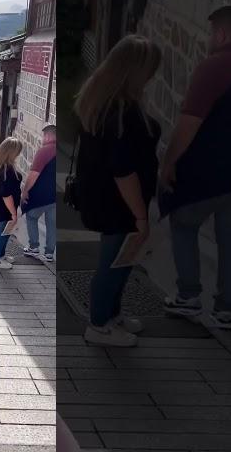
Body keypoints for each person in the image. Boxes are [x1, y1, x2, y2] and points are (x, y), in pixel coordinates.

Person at [73, 35, 161, 347]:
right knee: (113, 263)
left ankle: (112, 315)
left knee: (122, 260)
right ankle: (99, 325)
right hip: (120, 203)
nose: (153, 75)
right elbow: (123, 170)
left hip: (104, 197)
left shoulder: (101, 102)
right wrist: (140, 216)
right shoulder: (122, 112)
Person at [159, 6, 231, 329]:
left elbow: (188, 124)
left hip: (206, 173)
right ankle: (225, 310)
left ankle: (189, 296)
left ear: (220, 34)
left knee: (183, 223)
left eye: (211, 34)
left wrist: (168, 163)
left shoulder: (214, 67)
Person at [0, 137, 23, 270]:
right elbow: (6, 194)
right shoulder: (7, 170)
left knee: (5, 232)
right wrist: (13, 212)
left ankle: (0, 255)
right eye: (18, 151)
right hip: (5, 208)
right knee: (2, 233)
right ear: (11, 152)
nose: (19, 154)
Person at [22, 125, 57, 262]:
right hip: (56, 196)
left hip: (41, 196)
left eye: (44, 136)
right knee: (52, 224)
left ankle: (34, 247)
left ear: (48, 136)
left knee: (30, 217)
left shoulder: (45, 151)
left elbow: (33, 174)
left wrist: (25, 192)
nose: (43, 139)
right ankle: (49, 253)